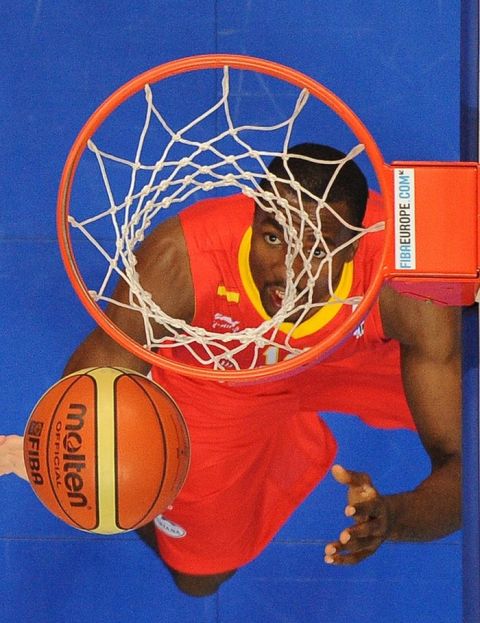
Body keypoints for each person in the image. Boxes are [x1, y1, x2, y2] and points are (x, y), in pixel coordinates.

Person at [0, 144, 461, 598]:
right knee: (198, 578)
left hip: (351, 355)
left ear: (354, 247)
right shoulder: (179, 261)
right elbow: (90, 389)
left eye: (317, 251)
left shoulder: (401, 283)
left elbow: (461, 465)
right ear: (254, 218)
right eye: (274, 237)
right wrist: (63, 461)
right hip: (220, 378)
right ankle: (162, 497)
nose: (288, 273)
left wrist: (394, 519)